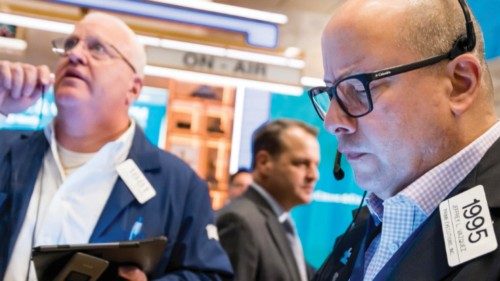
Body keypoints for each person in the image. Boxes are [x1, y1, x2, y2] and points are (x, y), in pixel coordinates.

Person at [0, 12, 232, 281]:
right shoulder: (6, 150)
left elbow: (211, 275)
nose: (74, 54)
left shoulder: (178, 185)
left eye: (97, 48)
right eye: (70, 44)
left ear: (133, 89)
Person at [307, 0, 500, 280]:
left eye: (358, 89)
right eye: (332, 92)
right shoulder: (367, 227)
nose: (332, 122)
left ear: (460, 83)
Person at [217, 119, 320, 281]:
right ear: (264, 162)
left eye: (316, 165)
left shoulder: (279, 222)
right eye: (301, 163)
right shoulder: (239, 222)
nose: (313, 175)